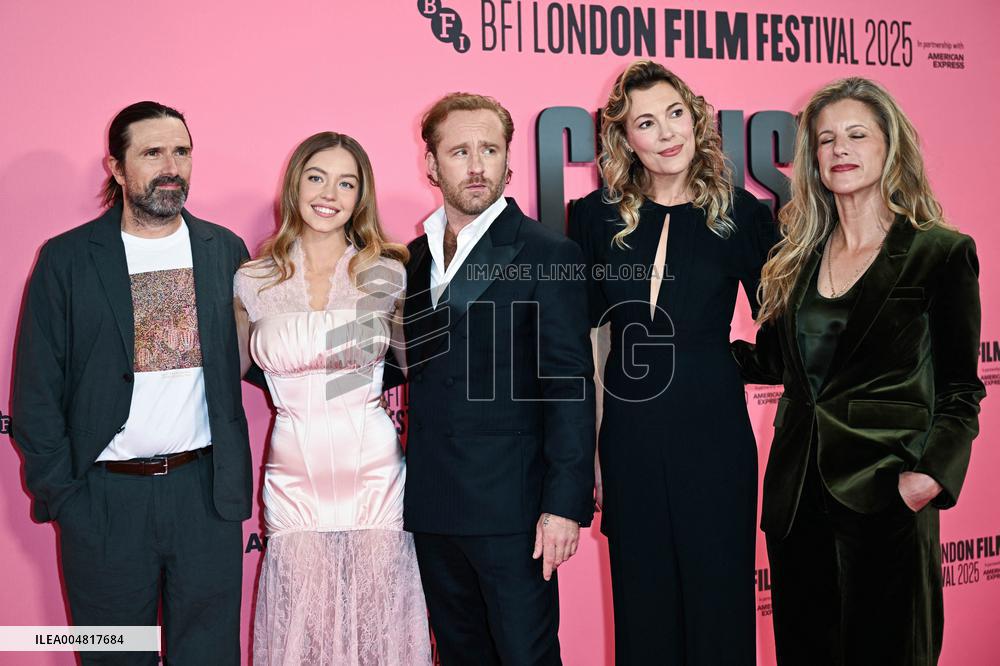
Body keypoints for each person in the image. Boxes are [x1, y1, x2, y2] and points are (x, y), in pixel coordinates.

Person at [732, 77, 985, 666]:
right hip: (798, 500)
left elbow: (960, 389)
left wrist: (928, 478)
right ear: (813, 159)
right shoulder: (796, 257)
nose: (840, 149)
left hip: (887, 495)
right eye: (826, 139)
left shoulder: (939, 253)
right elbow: (776, 362)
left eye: (856, 135)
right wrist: (686, 351)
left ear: (889, 146)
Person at [11, 101, 255, 664]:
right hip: (103, 503)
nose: (171, 167)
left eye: (181, 151)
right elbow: (36, 392)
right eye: (152, 153)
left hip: (204, 498)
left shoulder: (225, 251)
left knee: (209, 657)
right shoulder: (67, 259)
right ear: (117, 168)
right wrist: (67, 497)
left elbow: (260, 356)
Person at [567, 60, 777, 665]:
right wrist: (594, 449)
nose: (666, 133)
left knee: (720, 611)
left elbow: (784, 329)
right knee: (644, 614)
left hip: (715, 436)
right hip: (629, 439)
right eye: (646, 123)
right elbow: (590, 342)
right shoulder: (594, 216)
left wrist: (727, 359)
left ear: (695, 119)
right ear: (624, 138)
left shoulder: (743, 214)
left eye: (675, 114)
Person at [396, 92, 596, 665]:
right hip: (433, 506)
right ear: (431, 163)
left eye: (490, 149)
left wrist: (563, 505)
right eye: (460, 151)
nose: (477, 165)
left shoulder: (547, 252)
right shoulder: (410, 260)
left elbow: (569, 385)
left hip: (515, 512)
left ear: (509, 160)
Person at [236, 132, 431, 665]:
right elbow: (223, 375)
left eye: (346, 183)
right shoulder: (253, 280)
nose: (329, 194)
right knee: (304, 629)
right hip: (293, 477)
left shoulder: (389, 273)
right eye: (317, 177)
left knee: (381, 626)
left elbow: (423, 371)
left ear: (360, 196)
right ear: (294, 183)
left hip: (374, 472)